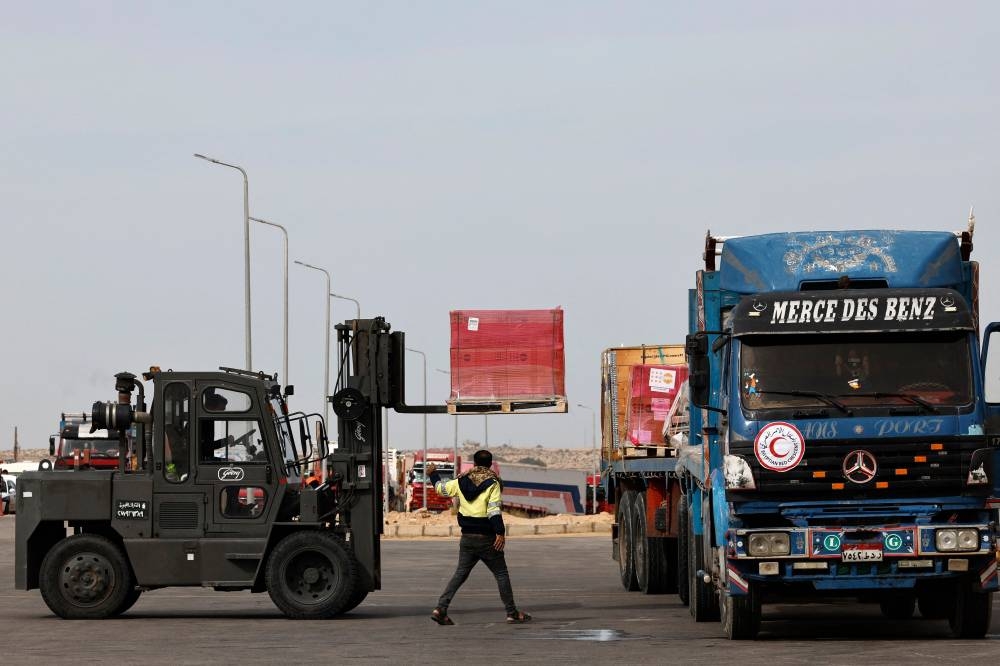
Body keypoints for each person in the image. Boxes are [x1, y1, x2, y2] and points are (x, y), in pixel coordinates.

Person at [427, 449, 531, 626]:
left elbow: (441, 489)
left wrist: (433, 474)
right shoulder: (493, 483)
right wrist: (500, 532)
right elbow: (493, 510)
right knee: (501, 573)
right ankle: (512, 613)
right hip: (487, 538)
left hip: (467, 538)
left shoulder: (461, 480)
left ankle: (440, 609)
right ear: (490, 464)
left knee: (460, 574)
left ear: (474, 464)